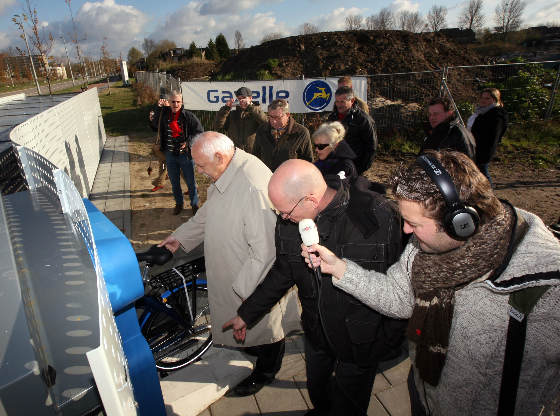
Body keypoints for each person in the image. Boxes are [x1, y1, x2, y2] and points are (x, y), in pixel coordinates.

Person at [302, 150, 560, 416]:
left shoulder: (547, 286)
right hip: (425, 396)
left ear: (460, 223)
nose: (406, 231)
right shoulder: (423, 246)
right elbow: (400, 298)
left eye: (414, 223)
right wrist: (339, 268)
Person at [223, 159, 405, 415]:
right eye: (279, 212)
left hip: (361, 341)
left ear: (310, 199)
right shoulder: (289, 220)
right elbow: (283, 272)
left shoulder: (376, 217)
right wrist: (247, 313)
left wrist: (389, 340)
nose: (283, 218)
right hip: (317, 333)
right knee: (318, 391)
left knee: (348, 406)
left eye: (286, 212)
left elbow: (399, 286)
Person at [159, 132, 301, 397]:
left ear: (221, 156)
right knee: (250, 327)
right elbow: (209, 212)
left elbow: (267, 251)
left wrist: (244, 294)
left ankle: (266, 372)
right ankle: (254, 348)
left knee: (266, 327)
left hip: (251, 278)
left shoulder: (251, 186)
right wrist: (180, 238)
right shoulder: (227, 171)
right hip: (236, 264)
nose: (197, 171)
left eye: (200, 165)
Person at [149, 90, 203, 215]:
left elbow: (199, 132)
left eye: (178, 101)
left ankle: (194, 204)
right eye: (173, 102)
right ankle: (179, 203)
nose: (176, 104)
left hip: (185, 155)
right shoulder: (164, 115)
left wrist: (188, 142)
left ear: (182, 102)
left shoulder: (188, 116)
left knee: (190, 182)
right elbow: (155, 125)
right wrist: (158, 108)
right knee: (174, 182)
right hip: (169, 154)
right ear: (169, 102)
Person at [327, 86, 377, 174]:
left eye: (342, 101)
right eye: (337, 101)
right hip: (335, 167)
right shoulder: (332, 118)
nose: (339, 105)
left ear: (352, 100)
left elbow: (371, 146)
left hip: (355, 168)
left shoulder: (363, 120)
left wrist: (360, 169)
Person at [252, 99, 313, 171]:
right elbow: (255, 156)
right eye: (271, 117)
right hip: (266, 178)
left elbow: (308, 162)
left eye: (278, 117)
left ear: (287, 115)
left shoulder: (301, 132)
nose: (274, 121)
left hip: (290, 179)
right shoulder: (262, 130)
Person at [466, 88, 508, 185]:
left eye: (487, 98)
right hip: (473, 147)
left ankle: (490, 194)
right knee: (477, 173)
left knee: (482, 172)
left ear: (495, 100)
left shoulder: (496, 115)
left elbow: (493, 136)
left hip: (482, 150)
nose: (483, 100)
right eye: (482, 98)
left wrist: (482, 150)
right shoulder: (481, 112)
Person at [212, 86, 267, 153]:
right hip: (235, 153)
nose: (241, 100)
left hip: (253, 154)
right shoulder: (232, 113)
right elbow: (218, 127)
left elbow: (266, 123)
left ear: (250, 98)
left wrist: (250, 107)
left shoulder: (256, 112)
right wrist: (225, 109)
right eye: (239, 98)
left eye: (244, 98)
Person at [420, 96, 476, 161]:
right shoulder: (442, 130)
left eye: (436, 114)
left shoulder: (453, 133)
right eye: (429, 114)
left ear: (449, 113)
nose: (431, 118)